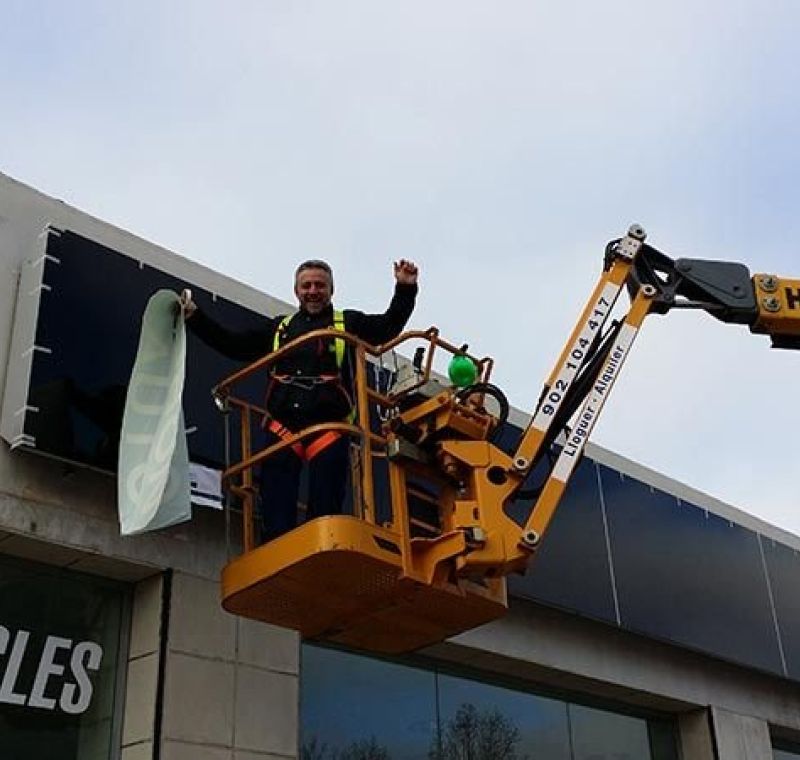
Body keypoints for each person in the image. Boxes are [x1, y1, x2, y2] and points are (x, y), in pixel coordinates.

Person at [181, 258, 419, 540]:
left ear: (332, 290)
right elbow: (233, 344)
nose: (313, 290)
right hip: (283, 428)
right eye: (307, 286)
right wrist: (195, 317)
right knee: (275, 504)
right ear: (297, 291)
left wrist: (405, 288)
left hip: (330, 427)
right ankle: (277, 548)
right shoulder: (279, 329)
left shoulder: (347, 322)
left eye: (320, 285)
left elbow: (386, 327)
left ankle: (322, 551)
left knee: (326, 502)